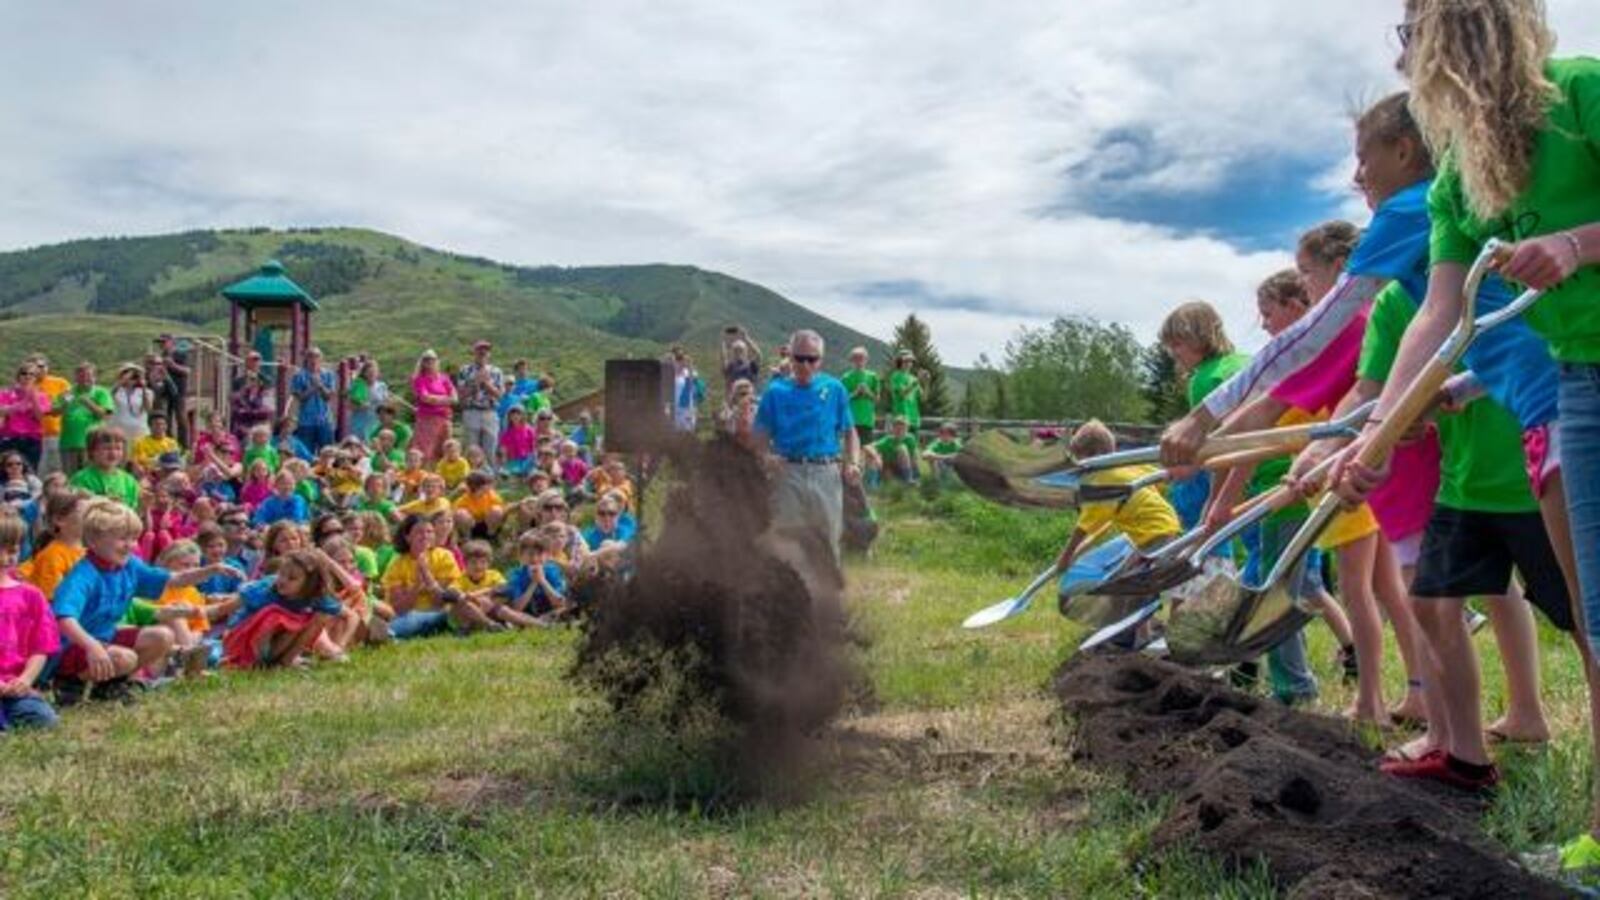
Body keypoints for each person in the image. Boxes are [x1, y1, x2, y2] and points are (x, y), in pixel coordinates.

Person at [1334, 2, 1600, 858]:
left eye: (1416, 37)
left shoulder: (1582, 93)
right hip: (1571, 386)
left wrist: (1577, 243)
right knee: (1598, 622)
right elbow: (1436, 315)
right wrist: (1373, 439)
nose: (1409, 60)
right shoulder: (1458, 179)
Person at [50, 499, 239, 704]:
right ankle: (70, 684)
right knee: (126, 658)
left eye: (133, 538)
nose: (130, 545)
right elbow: (63, 619)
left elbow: (174, 579)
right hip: (72, 648)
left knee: (163, 636)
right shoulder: (83, 575)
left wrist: (211, 570)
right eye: (122, 538)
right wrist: (93, 647)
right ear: (94, 541)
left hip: (106, 638)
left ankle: (111, 685)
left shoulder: (128, 565)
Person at [1055, 421, 1182, 648]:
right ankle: (1139, 632)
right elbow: (1163, 479)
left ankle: (1136, 637)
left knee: (1131, 584)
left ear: (1093, 457)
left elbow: (1083, 528)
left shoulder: (1102, 481)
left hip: (1154, 535)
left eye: (1082, 461)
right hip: (1163, 527)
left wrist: (1065, 558)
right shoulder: (1126, 467)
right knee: (1129, 579)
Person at [752, 329, 861, 561]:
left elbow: (850, 431)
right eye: (799, 358)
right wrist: (765, 457)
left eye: (812, 359)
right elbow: (759, 435)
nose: (805, 365)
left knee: (828, 537)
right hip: (787, 471)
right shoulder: (775, 392)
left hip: (826, 471)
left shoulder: (834, 389)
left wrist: (853, 463)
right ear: (790, 357)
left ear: (820, 360)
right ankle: (789, 594)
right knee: (786, 539)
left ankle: (828, 594)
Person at [221, 549, 345, 669]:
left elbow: (339, 612)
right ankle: (255, 661)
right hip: (241, 641)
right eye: (281, 574)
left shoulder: (315, 595)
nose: (283, 581)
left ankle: (286, 661)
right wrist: (204, 613)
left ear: (309, 583)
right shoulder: (266, 588)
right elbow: (221, 609)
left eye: (292, 578)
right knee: (274, 614)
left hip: (275, 644)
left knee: (316, 617)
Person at [0, 510, 60, 731]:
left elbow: (41, 648)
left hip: (15, 686)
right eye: (1, 549)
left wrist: (25, 680)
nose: (7, 557)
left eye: (13, 549)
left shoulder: (31, 595)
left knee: (44, 719)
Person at [55, 363, 111, 477]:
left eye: (88, 375)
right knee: (71, 478)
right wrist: (64, 405)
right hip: (68, 443)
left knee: (92, 476)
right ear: (75, 377)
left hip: (92, 444)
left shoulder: (101, 392)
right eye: (81, 375)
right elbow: (54, 412)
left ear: (94, 377)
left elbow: (105, 415)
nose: (84, 378)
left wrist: (89, 403)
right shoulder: (68, 393)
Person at [457, 340, 505, 465]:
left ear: (489, 354)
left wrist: (487, 384)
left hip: (490, 412)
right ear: (474, 352)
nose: (483, 352)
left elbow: (500, 395)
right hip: (471, 411)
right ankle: (471, 478)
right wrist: (476, 383)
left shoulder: (497, 371)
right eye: (480, 349)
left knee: (490, 448)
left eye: (486, 350)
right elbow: (461, 395)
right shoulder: (465, 370)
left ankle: (489, 478)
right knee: (471, 448)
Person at [68, 427, 140, 510]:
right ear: (92, 451)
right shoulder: (81, 479)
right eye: (107, 448)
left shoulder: (129, 481)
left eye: (118, 448)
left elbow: (134, 511)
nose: (113, 453)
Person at [0, 363, 52, 472]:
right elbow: (2, 411)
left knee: (30, 471)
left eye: (32, 374)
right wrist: (20, 404)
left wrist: (33, 398)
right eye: (24, 373)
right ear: (18, 376)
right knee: (6, 472)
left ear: (36, 378)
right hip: (10, 439)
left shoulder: (42, 396)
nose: (28, 376)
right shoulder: (6, 393)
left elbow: (40, 417)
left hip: (32, 440)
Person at [410, 350, 457, 464]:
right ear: (422, 362)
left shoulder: (444, 378)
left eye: (432, 359)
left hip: (445, 419)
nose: (430, 362)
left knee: (445, 450)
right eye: (426, 359)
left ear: (437, 361)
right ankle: (425, 478)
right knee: (426, 451)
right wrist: (446, 399)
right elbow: (425, 398)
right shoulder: (419, 379)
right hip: (427, 419)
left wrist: (436, 399)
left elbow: (455, 398)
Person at [29, 355, 71, 477]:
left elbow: (70, 397)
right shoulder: (27, 383)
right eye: (34, 366)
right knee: (37, 469)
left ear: (47, 367)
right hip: (34, 435)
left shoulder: (60, 382)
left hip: (56, 433)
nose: (38, 369)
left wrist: (62, 407)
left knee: (57, 469)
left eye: (41, 366)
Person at [289, 347, 336, 453]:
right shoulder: (298, 376)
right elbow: (300, 398)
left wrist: (320, 386)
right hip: (305, 422)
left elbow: (328, 397)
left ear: (321, 359)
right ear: (306, 358)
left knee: (328, 452)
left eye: (317, 356)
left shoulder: (328, 375)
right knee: (306, 453)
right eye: (310, 356)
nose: (313, 359)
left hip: (324, 420)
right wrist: (313, 388)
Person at [153, 335, 191, 444]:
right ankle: (168, 443)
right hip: (165, 390)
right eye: (160, 343)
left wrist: (172, 365)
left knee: (181, 418)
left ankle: (183, 445)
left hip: (179, 391)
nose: (161, 345)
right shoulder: (162, 355)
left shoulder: (180, 354)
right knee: (166, 418)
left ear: (171, 342)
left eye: (163, 342)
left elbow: (187, 371)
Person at [230, 350, 274, 441]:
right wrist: (245, 389)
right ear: (246, 362)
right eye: (252, 360)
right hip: (243, 424)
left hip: (260, 423)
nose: (255, 363)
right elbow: (234, 403)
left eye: (257, 360)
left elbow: (269, 407)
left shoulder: (266, 380)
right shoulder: (238, 381)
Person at [840, 347, 880, 446]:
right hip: (850, 419)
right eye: (856, 358)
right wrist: (855, 393)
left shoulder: (873, 376)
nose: (859, 360)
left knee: (866, 450)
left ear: (866, 359)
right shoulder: (845, 377)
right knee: (851, 450)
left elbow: (877, 399)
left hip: (867, 420)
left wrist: (867, 392)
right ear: (851, 359)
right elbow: (841, 400)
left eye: (861, 357)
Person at [866, 416, 920, 486]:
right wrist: (876, 456)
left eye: (902, 429)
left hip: (905, 465)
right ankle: (873, 486)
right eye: (897, 429)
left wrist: (916, 473)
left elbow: (914, 457)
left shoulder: (910, 439)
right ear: (893, 429)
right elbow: (867, 447)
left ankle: (908, 479)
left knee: (902, 448)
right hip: (889, 466)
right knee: (871, 457)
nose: (899, 431)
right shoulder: (888, 440)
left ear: (907, 429)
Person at [346, 358, 388, 442]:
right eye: (369, 372)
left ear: (377, 373)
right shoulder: (358, 386)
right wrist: (361, 406)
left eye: (374, 372)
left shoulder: (382, 386)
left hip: (376, 423)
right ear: (364, 373)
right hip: (359, 423)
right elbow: (349, 406)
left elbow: (386, 405)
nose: (371, 374)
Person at [108, 363, 152, 441]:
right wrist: (124, 380)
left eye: (134, 376)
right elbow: (108, 396)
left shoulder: (147, 392)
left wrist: (144, 387)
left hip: (140, 431)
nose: (131, 378)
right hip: (119, 431)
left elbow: (148, 408)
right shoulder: (117, 391)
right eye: (126, 373)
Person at [130, 413, 181, 477]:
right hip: (147, 475)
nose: (160, 427)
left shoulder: (172, 443)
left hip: (167, 475)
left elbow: (176, 463)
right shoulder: (140, 442)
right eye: (157, 424)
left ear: (166, 426)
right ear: (150, 426)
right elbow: (135, 462)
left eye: (163, 424)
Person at [721, 326, 763, 399]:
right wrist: (723, 343)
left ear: (746, 352)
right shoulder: (731, 366)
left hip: (750, 398)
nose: (738, 353)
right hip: (735, 400)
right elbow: (724, 359)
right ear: (732, 353)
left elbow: (758, 355)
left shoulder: (751, 365)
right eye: (736, 350)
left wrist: (746, 338)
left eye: (741, 350)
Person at [670, 348, 705, 433]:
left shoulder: (689, 373)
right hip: (675, 407)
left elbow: (694, 382)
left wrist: (689, 366)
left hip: (687, 406)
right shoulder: (670, 375)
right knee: (676, 431)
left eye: (681, 358)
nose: (680, 361)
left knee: (688, 430)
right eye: (677, 358)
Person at [888, 351, 924, 432]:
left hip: (914, 418)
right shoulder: (896, 376)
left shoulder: (913, 378)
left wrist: (927, 382)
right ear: (899, 361)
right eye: (906, 361)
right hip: (901, 419)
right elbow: (902, 395)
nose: (908, 363)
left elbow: (923, 398)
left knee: (913, 444)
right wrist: (918, 380)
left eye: (910, 361)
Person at [498, 406, 537, 478]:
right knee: (513, 475)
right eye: (512, 414)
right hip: (513, 460)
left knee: (530, 474)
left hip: (527, 459)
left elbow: (533, 446)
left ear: (523, 416)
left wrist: (534, 459)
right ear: (509, 417)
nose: (515, 416)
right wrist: (504, 461)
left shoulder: (529, 429)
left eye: (518, 414)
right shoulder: (506, 432)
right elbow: (503, 449)